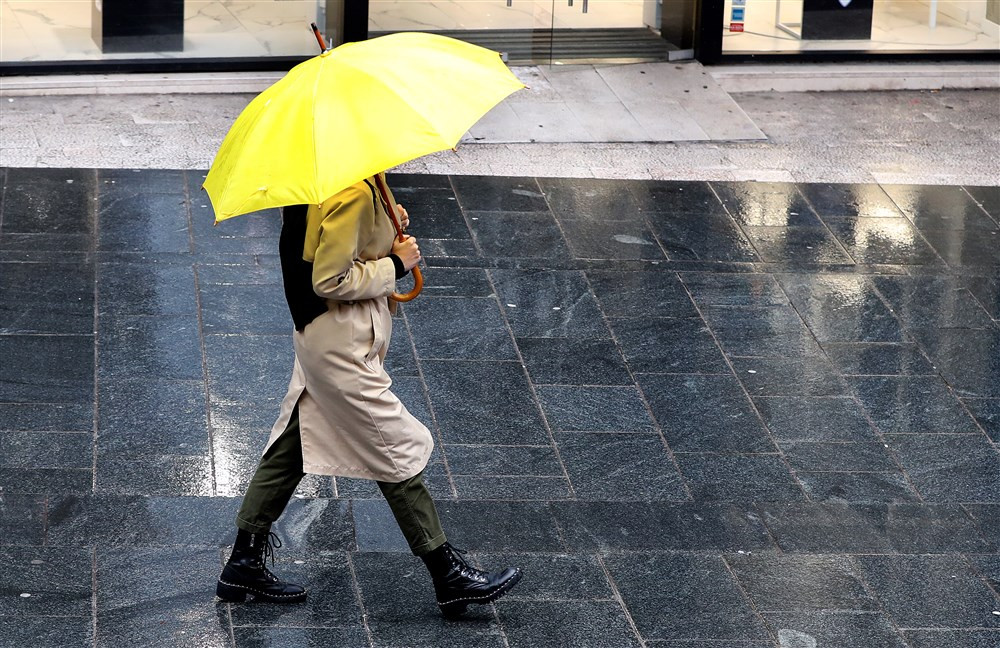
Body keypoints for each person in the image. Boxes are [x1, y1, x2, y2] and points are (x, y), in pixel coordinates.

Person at [215, 172, 522, 617]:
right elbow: (329, 278)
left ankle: (242, 563)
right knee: (392, 447)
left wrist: (383, 223)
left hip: (322, 338)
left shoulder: (326, 183)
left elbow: (318, 245)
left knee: (293, 446)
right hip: (341, 346)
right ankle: (448, 574)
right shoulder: (353, 191)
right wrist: (395, 264)